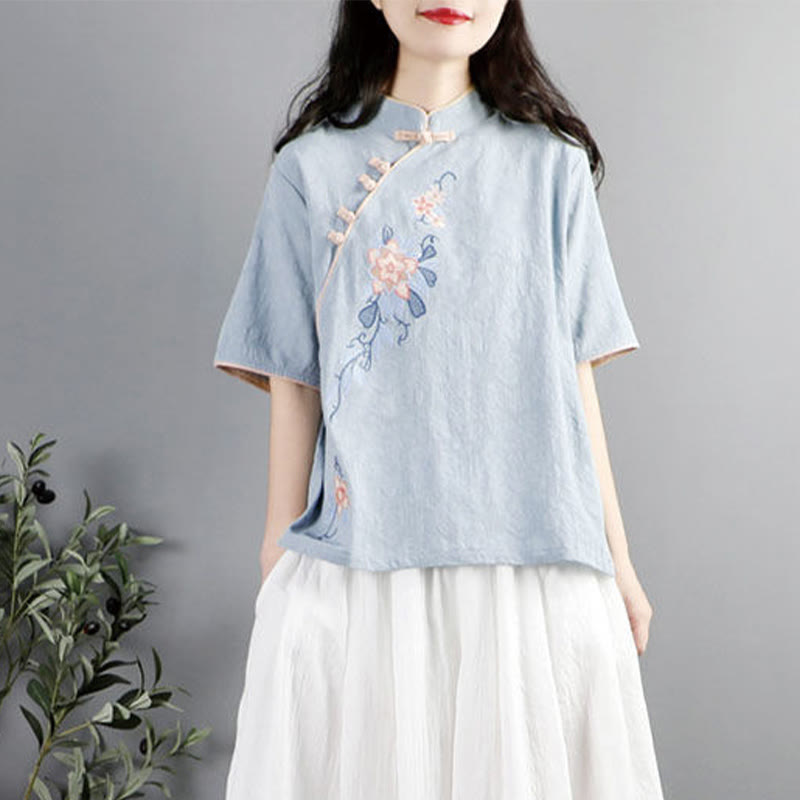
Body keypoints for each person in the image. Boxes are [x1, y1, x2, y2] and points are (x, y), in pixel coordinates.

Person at [213, 1, 666, 797]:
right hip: (364, 559)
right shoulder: (310, 169)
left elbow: (572, 378)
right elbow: (295, 377)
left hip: (534, 558)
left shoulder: (551, 167)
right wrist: (276, 554)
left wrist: (619, 560)